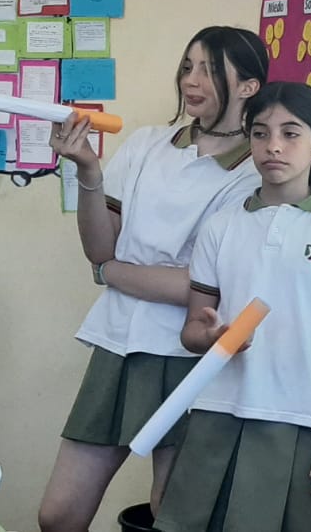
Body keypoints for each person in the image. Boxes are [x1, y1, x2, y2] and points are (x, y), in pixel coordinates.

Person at [39, 26, 269, 531]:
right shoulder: (147, 144)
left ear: (249, 86)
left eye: (210, 69)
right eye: (187, 67)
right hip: (117, 343)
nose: (192, 80)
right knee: (58, 515)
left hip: (188, 355)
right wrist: (88, 171)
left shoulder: (254, 174)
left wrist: (112, 273)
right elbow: (99, 248)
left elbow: (200, 288)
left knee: (173, 514)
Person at [154, 82, 311, 532]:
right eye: (260, 133)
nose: (274, 146)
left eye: (290, 134)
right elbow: (192, 331)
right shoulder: (221, 227)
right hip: (219, 412)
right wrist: (212, 337)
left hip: (306, 419)